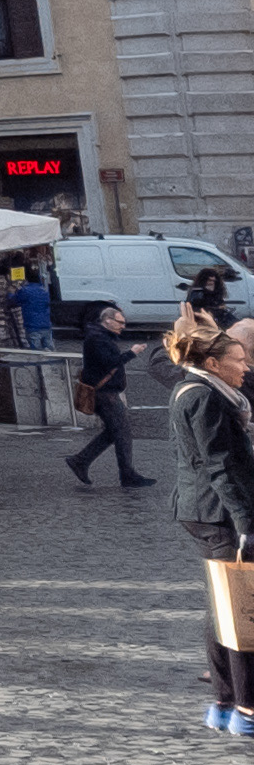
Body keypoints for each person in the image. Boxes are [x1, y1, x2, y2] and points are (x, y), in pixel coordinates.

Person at [164, 310, 254, 735]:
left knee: (223, 605)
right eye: (239, 360)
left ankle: (224, 704)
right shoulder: (204, 397)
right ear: (214, 364)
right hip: (217, 515)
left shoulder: (201, 390)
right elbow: (219, 466)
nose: (247, 366)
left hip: (205, 511)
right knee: (241, 610)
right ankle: (246, 709)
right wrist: (245, 522)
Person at [70, 303, 154, 488]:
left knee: (114, 431)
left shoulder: (101, 336)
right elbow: (110, 362)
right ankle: (127, 475)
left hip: (106, 391)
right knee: (122, 433)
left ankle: (81, 460)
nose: (123, 326)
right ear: (107, 320)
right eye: (120, 322)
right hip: (104, 393)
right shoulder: (97, 338)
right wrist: (132, 353)